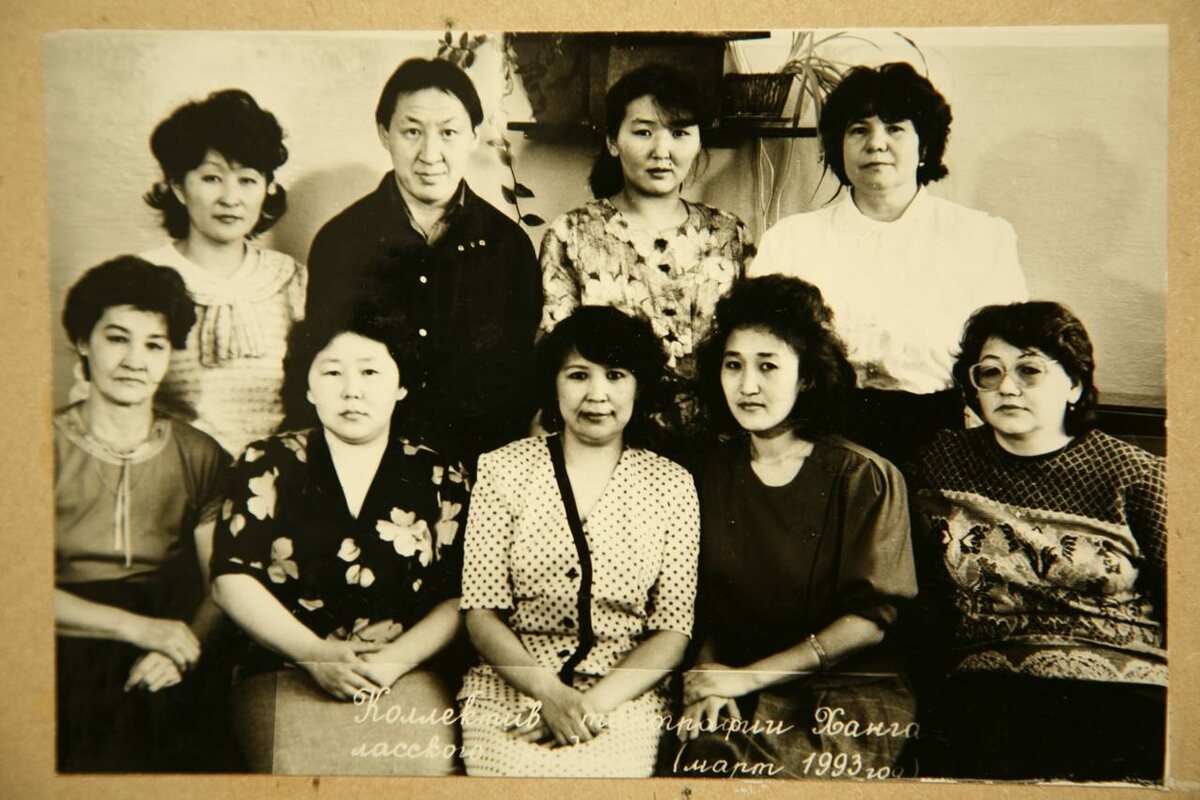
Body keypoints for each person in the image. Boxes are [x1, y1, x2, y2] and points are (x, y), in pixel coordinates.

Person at [671, 275, 918, 779]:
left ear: (806, 377)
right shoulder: (707, 473)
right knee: (699, 766)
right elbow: (708, 604)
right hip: (738, 681)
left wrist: (745, 679)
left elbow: (868, 622)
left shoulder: (863, 476)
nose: (747, 385)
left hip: (846, 692)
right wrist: (709, 677)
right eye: (733, 365)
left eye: (768, 366)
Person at [209, 303, 470, 775]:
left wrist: (392, 663)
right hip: (283, 668)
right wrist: (315, 656)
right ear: (309, 387)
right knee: (295, 773)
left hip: (400, 672)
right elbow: (231, 579)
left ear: (402, 385)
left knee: (427, 770)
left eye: (370, 372)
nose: (352, 390)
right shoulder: (266, 462)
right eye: (332, 372)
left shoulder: (439, 474)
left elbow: (458, 596)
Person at [910, 302, 1166, 782]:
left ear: (1074, 385)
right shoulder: (941, 458)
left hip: (1125, 691)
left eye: (1029, 370)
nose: (1007, 387)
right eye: (990, 373)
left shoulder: (1134, 474)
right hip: (987, 694)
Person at [458, 306, 699, 777]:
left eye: (615, 375)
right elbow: (481, 614)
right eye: (578, 375)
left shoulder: (673, 485)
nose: (597, 394)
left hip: (622, 696)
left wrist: (587, 707)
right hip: (512, 689)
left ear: (639, 387)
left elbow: (672, 632)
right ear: (553, 384)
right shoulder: (503, 470)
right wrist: (549, 695)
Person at [749, 62, 1028, 467]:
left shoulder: (981, 237)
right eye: (858, 130)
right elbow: (761, 354)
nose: (876, 143)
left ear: (924, 146)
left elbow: (1004, 360)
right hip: (817, 440)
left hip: (941, 439)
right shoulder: (791, 240)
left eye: (895, 128)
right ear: (837, 145)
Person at [306, 57, 542, 466]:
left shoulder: (510, 246)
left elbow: (520, 379)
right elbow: (323, 372)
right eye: (412, 131)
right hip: (371, 467)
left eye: (448, 132)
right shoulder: (340, 241)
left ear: (473, 136)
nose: (430, 154)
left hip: (482, 468)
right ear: (384, 133)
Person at [54, 256, 231, 771]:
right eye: (117, 338)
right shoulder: (33, 446)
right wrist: (137, 630)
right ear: (83, 342)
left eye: (154, 344)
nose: (135, 360)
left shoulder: (200, 455)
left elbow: (222, 585)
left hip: (172, 632)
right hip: (63, 634)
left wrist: (179, 648)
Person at [539, 64, 754, 459]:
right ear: (612, 141)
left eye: (679, 133)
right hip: (611, 447)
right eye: (643, 132)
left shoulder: (728, 234)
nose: (662, 151)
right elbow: (557, 356)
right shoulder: (573, 233)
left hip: (720, 449)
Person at [140, 88, 305, 457]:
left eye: (247, 180)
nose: (231, 198)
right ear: (178, 186)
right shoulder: (143, 279)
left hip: (278, 479)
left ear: (267, 187)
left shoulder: (292, 282)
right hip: (175, 476)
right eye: (212, 178)